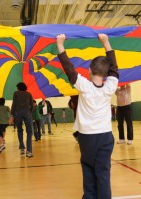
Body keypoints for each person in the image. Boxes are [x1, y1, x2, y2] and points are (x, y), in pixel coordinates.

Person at [57, 33, 118, 199]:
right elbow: (114, 68)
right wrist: (106, 42)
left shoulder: (84, 86)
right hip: (105, 136)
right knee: (103, 172)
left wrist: (60, 44)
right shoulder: (110, 86)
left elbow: (69, 69)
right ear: (106, 74)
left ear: (89, 70)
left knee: (88, 169)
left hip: (87, 138)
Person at [10, 82, 34, 158]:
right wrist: (29, 112)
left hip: (17, 114)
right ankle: (29, 151)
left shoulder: (16, 93)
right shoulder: (29, 94)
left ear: (18, 88)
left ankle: (22, 149)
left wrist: (11, 115)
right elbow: (31, 105)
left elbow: (14, 104)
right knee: (29, 132)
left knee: (19, 130)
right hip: (27, 113)